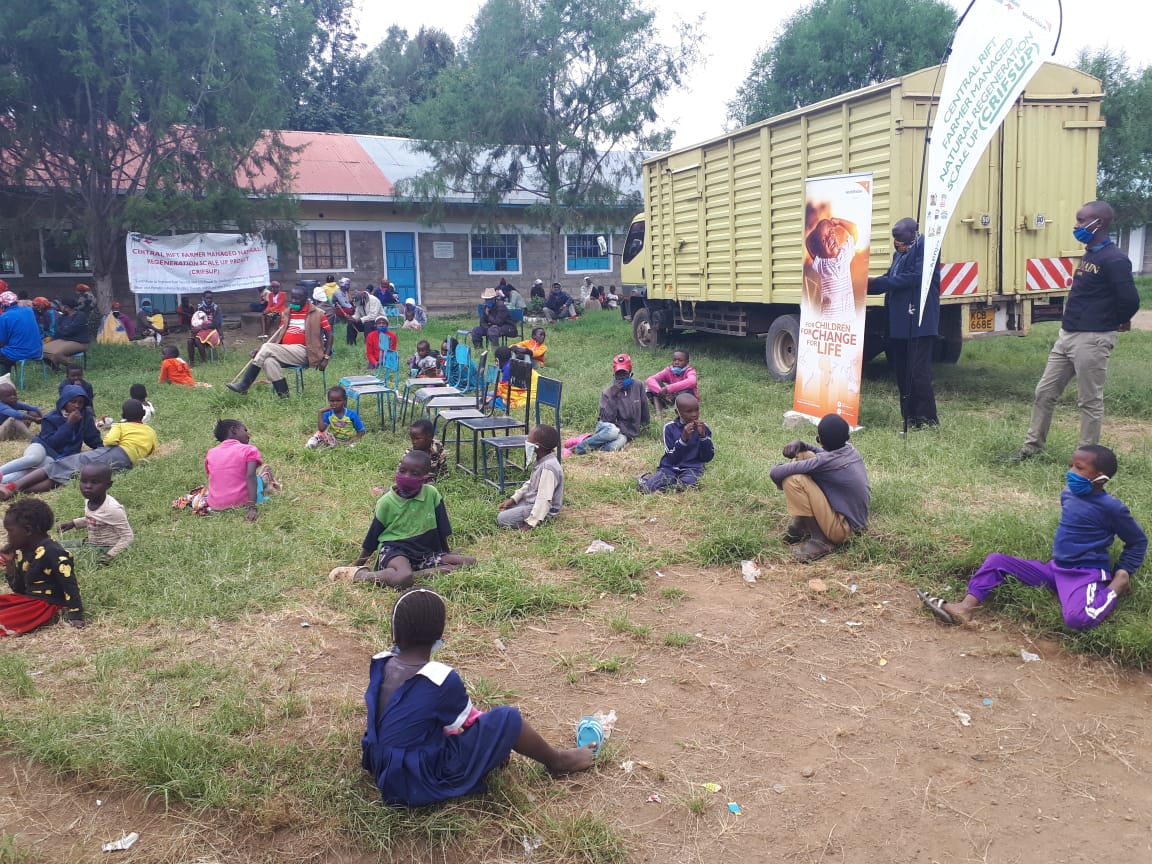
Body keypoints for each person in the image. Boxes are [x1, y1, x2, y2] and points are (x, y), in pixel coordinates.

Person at [360, 588, 595, 806]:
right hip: (415, 780)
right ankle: (558, 762)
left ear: (394, 632)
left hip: (381, 764)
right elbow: (468, 724)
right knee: (507, 719)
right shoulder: (440, 678)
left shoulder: (381, 663)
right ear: (440, 634)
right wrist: (495, 742)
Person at [918, 445, 1146, 630]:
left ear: (1100, 478)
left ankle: (1117, 586)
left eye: (1079, 468)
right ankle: (965, 607)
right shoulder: (1068, 494)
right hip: (1055, 568)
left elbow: (1138, 541)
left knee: (1077, 619)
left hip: (1084, 573)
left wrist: (1123, 569)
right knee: (996, 560)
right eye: (1070, 466)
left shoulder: (1112, 508)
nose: (1071, 474)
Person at [1013, 201, 1140, 461]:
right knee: (1045, 392)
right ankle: (1031, 447)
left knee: (1089, 401)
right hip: (1068, 336)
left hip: (1093, 338)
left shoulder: (1114, 259)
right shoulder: (1091, 253)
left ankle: (1086, 458)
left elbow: (1130, 300)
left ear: (1099, 224)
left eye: (1082, 221)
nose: (1076, 225)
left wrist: (1117, 320)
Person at [345, 450, 475, 588]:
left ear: (426, 477)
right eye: (402, 471)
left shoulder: (432, 494)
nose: (406, 476)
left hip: (425, 553)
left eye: (415, 474)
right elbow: (372, 538)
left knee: (470, 562)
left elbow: (441, 529)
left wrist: (445, 554)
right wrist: (357, 565)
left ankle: (415, 573)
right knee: (403, 578)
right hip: (395, 550)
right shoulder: (386, 502)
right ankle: (363, 576)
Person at [867, 217, 940, 428]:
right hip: (899, 323)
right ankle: (909, 417)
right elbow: (891, 276)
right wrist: (869, 284)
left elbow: (913, 277)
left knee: (918, 373)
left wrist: (880, 282)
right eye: (893, 238)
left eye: (898, 237)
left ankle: (927, 420)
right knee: (902, 372)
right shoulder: (900, 253)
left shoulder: (927, 248)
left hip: (919, 321)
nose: (895, 242)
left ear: (913, 233)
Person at [0, 399, 157, 498]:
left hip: (114, 452)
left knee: (60, 466)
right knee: (67, 476)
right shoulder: (150, 431)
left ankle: (12, 487)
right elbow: (151, 449)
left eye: (80, 403)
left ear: (123, 414)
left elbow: (109, 441)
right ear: (143, 415)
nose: (77, 406)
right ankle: (18, 491)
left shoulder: (121, 425)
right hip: (126, 462)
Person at [768, 413, 870, 563]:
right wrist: (802, 445)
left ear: (820, 440)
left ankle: (821, 540)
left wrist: (784, 467)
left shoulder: (825, 462)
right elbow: (821, 455)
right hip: (856, 523)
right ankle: (802, 525)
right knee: (804, 454)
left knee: (793, 480)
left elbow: (775, 473)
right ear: (847, 437)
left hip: (844, 530)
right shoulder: (850, 450)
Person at [226, 285, 332, 398]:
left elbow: (330, 335)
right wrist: (260, 350)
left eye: (298, 298)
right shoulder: (287, 313)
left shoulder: (318, 313)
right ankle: (284, 397)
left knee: (267, 347)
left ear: (306, 299)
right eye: (293, 298)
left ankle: (245, 384)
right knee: (268, 361)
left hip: (306, 352)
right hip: (286, 351)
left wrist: (326, 357)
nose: (294, 301)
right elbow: (279, 335)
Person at [0, 499, 84, 635]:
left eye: (10, 531)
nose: (8, 537)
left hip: (46, 604)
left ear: (27, 530)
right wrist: (10, 563)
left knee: (4, 619)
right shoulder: (23, 550)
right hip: (28, 600)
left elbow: (70, 584)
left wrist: (76, 615)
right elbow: (19, 590)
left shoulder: (53, 552)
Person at [0, 385, 100, 485]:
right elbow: (52, 443)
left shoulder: (85, 417)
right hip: (42, 446)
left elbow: (92, 437)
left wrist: (102, 449)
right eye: (73, 401)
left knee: (37, 470)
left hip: (58, 457)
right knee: (33, 459)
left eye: (80, 402)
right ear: (64, 402)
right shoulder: (51, 418)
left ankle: (3, 481)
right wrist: (69, 424)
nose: (77, 405)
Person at [189, 419, 278, 521]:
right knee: (256, 480)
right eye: (245, 430)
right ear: (234, 430)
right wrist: (252, 507)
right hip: (241, 503)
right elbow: (250, 476)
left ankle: (263, 479)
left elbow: (216, 477)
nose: (248, 435)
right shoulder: (249, 450)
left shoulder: (211, 453)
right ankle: (264, 479)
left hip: (215, 505)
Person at [570, 354, 649, 455]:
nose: (621, 378)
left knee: (614, 446)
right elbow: (608, 419)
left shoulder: (638, 386)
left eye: (624, 374)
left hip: (625, 432)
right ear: (614, 375)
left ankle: (591, 442)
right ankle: (577, 448)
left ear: (630, 373)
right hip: (608, 426)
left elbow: (644, 407)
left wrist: (646, 426)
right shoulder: (607, 393)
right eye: (618, 374)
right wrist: (613, 396)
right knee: (613, 432)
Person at [58, 464, 134, 564]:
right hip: (91, 542)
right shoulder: (89, 500)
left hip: (107, 547)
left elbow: (128, 536)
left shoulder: (113, 509)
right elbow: (95, 519)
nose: (88, 486)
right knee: (56, 546)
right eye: (84, 481)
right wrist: (73, 523)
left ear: (108, 485)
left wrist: (110, 555)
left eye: (95, 482)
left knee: (60, 554)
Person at [638, 393, 713, 493]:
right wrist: (683, 439)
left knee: (689, 484)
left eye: (696, 410)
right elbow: (671, 457)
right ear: (677, 412)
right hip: (670, 467)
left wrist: (703, 437)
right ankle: (645, 481)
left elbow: (707, 457)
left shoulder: (703, 428)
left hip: (692, 468)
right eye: (689, 411)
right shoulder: (669, 428)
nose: (694, 414)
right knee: (648, 488)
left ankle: (668, 487)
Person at [497, 424, 563, 530]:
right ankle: (528, 514)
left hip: (544, 507)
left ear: (537, 446)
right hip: (532, 501)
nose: (526, 442)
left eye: (528, 439)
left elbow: (544, 499)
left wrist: (530, 524)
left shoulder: (548, 467)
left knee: (502, 519)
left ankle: (541, 519)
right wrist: (514, 499)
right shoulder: (541, 459)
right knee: (506, 510)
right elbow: (531, 482)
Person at [806, 217, 858, 322]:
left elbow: (854, 230)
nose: (829, 238)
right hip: (828, 320)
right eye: (823, 240)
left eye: (830, 232)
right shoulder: (822, 264)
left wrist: (839, 222)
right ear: (820, 250)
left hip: (847, 319)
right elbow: (808, 243)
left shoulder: (845, 253)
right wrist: (817, 231)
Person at [0, 289, 44, 374]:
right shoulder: (28, 310)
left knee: (3, 354)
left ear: (3, 305)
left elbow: (2, 341)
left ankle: (3, 381)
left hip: (19, 353)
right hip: (37, 351)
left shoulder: (4, 317)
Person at [42, 298, 90, 370]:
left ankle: (76, 367)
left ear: (66, 307)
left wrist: (62, 330)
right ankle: (55, 367)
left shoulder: (80, 316)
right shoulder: (63, 316)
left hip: (79, 342)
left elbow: (69, 331)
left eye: (61, 305)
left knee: (56, 353)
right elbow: (57, 329)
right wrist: (63, 330)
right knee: (41, 350)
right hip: (63, 340)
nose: (60, 307)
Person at [186, 291, 222, 366]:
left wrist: (201, 327)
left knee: (198, 340)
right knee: (189, 341)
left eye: (211, 298)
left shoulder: (216, 308)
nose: (209, 300)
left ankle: (204, 361)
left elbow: (216, 323)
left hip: (212, 331)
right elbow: (195, 320)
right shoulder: (199, 307)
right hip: (200, 330)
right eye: (207, 298)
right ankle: (191, 362)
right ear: (203, 298)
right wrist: (195, 328)